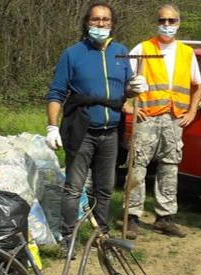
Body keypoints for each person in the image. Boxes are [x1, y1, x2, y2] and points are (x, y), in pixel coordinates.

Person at [45, 2, 138, 252]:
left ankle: (101, 234)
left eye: (105, 20)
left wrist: (134, 87)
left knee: (105, 188)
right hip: (81, 129)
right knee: (74, 188)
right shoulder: (72, 54)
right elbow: (56, 92)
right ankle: (69, 237)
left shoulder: (121, 52)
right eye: (96, 19)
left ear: (112, 23)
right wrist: (52, 127)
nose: (101, 24)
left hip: (111, 131)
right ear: (87, 23)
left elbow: (126, 88)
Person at [121, 4, 201, 240]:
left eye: (171, 20)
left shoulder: (187, 53)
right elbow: (122, 83)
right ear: (156, 22)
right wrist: (126, 106)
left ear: (179, 22)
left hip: (174, 119)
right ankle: (132, 217)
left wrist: (192, 111)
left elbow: (198, 86)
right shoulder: (142, 48)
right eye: (163, 21)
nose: (167, 25)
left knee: (170, 167)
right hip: (147, 117)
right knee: (136, 166)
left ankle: (165, 219)